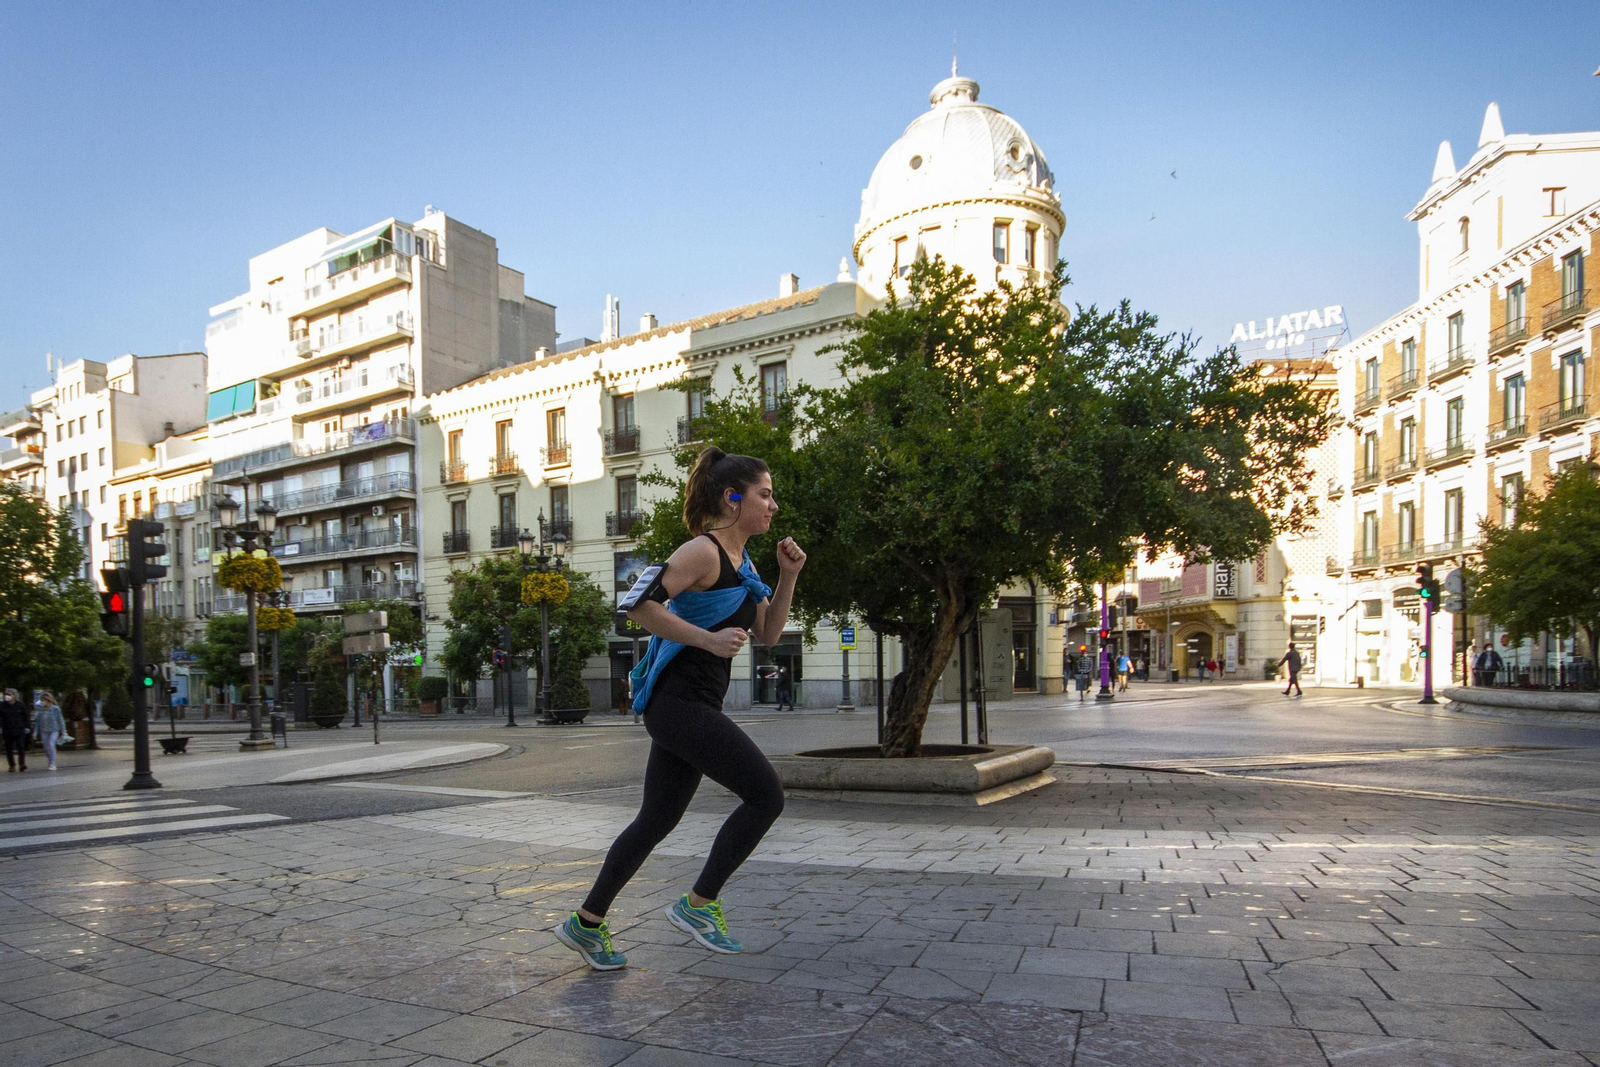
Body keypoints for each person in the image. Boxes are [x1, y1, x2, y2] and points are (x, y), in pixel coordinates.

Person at [556, 448, 804, 971]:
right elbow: (638, 604)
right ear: (731, 498)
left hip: (691, 705)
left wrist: (787, 577)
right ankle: (698, 904)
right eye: (764, 494)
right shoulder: (702, 552)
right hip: (678, 703)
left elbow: (769, 633)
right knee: (766, 797)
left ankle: (586, 922)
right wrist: (707, 641)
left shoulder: (744, 563)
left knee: (657, 818)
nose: (773, 506)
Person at [33, 692, 65, 771]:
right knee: (46, 747)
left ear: (49, 701)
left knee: (51, 744)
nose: (43, 702)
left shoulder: (55, 709)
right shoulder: (40, 709)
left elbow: (60, 720)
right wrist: (35, 732)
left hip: (54, 730)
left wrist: (63, 731)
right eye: (42, 701)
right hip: (44, 730)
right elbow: (38, 721)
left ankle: (52, 763)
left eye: (44, 700)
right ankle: (50, 760)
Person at [1, 689, 30, 772]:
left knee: (20, 747)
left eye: (9, 694)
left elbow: (25, 717)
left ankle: (22, 764)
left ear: (14, 695)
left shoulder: (20, 705)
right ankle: (12, 765)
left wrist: (27, 727)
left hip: (19, 729)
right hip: (7, 730)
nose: (7, 696)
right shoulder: (2, 706)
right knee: (9, 748)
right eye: (6, 694)